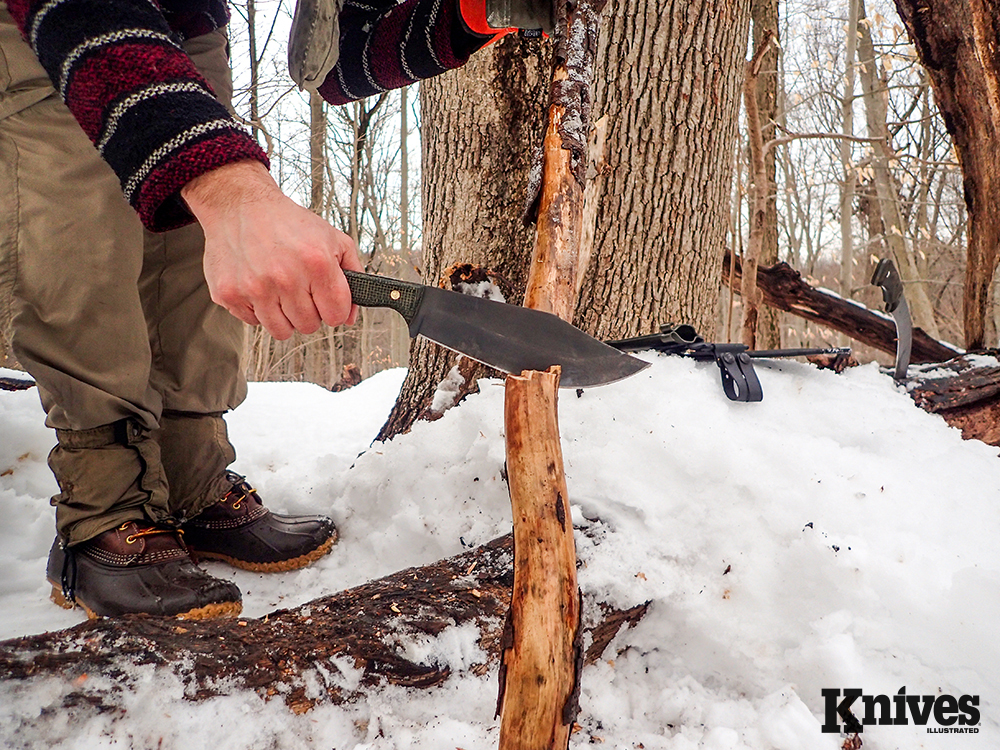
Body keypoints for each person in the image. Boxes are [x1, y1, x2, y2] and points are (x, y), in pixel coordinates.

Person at [0, 0, 551, 620]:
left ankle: (191, 484)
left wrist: (472, 14)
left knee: (186, 265)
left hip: (191, 27)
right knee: (87, 252)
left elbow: (341, 55)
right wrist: (230, 188)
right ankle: (102, 515)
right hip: (56, 25)